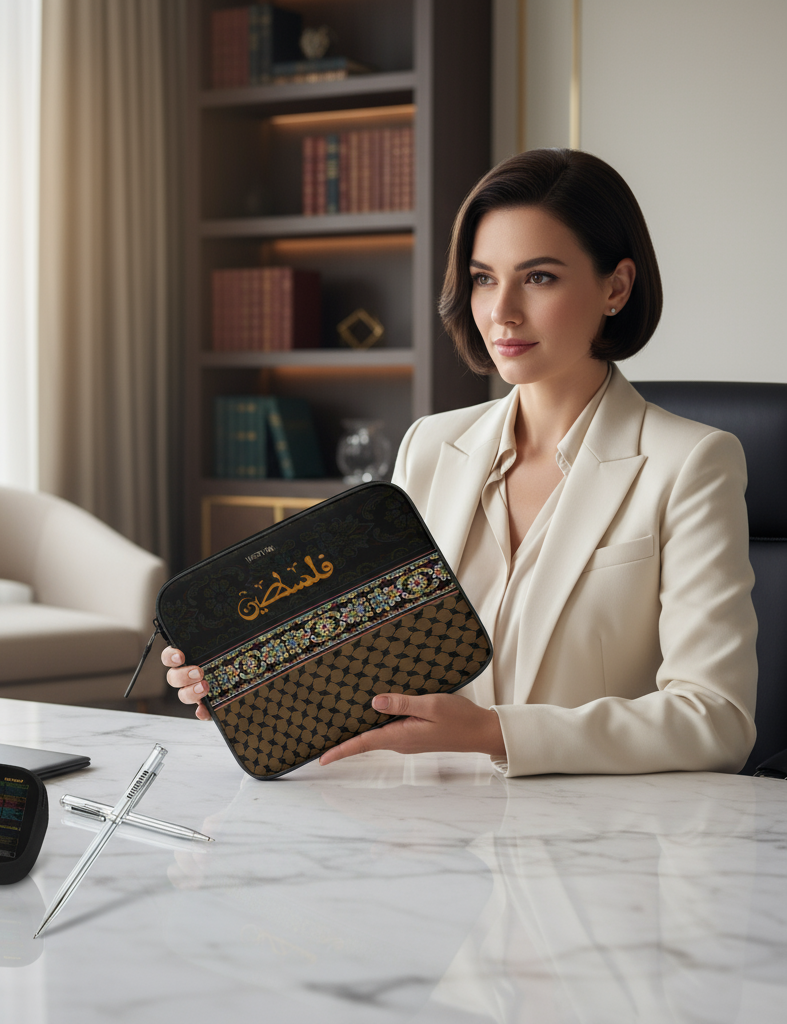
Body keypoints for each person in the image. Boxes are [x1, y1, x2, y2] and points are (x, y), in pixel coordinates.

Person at [164, 148, 758, 777]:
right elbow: (377, 664)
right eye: (482, 278)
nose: (501, 310)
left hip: (593, 844)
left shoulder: (691, 463)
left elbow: (716, 718)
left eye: (539, 277)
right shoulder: (429, 447)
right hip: (425, 830)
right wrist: (254, 680)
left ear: (616, 286)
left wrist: (493, 733)